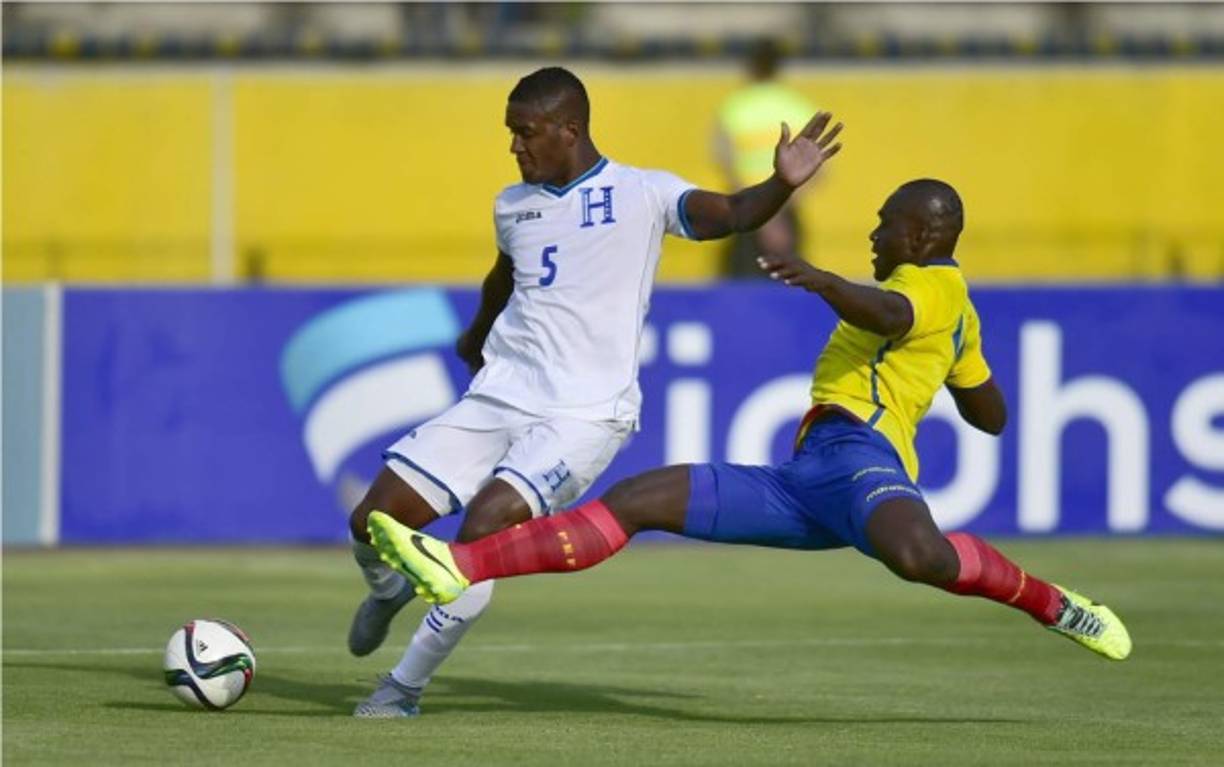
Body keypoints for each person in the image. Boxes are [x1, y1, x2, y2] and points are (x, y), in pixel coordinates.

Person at [367, 179, 1133, 666]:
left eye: (884, 224)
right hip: (808, 479)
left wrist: (825, 281)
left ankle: (1056, 604)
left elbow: (891, 312)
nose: (873, 235)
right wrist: (962, 363)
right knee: (644, 499)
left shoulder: (925, 282)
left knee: (919, 555)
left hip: (858, 457)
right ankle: (462, 565)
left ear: (924, 234)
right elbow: (992, 416)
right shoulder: (953, 309)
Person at [346, 65, 845, 718]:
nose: (514, 147)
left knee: (479, 534)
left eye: (524, 133)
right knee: (370, 521)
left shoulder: (644, 194)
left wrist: (781, 181)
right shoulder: (511, 204)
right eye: (510, 134)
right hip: (500, 394)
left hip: (583, 414)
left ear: (568, 130)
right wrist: (475, 335)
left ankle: (401, 688)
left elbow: (734, 214)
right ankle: (388, 590)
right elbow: (504, 278)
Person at [714, 38, 818, 278]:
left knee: (740, 294)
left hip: (744, 212)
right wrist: (778, 211)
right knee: (790, 290)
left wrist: (761, 211)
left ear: (750, 66)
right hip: (786, 212)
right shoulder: (798, 107)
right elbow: (819, 173)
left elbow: (726, 162)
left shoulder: (735, 107)